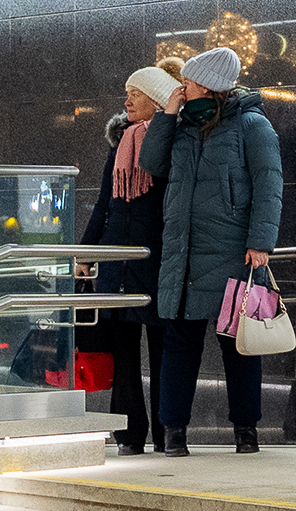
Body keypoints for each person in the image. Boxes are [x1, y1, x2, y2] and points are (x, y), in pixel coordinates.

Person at [141, 44, 283, 456]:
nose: (181, 88)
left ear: (205, 84)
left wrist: (261, 242)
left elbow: (269, 183)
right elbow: (151, 162)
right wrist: (167, 113)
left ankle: (246, 431)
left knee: (239, 345)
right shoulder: (182, 124)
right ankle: (174, 434)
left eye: (186, 82)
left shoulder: (251, 124)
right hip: (182, 252)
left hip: (233, 251)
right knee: (179, 344)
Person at [78, 64, 179, 454]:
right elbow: (105, 204)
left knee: (162, 354)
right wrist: (87, 253)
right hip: (117, 267)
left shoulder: (172, 145)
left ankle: (168, 433)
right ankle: (129, 435)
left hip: (154, 264)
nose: (126, 100)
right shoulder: (119, 144)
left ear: (155, 100)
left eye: (134, 93)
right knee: (122, 356)